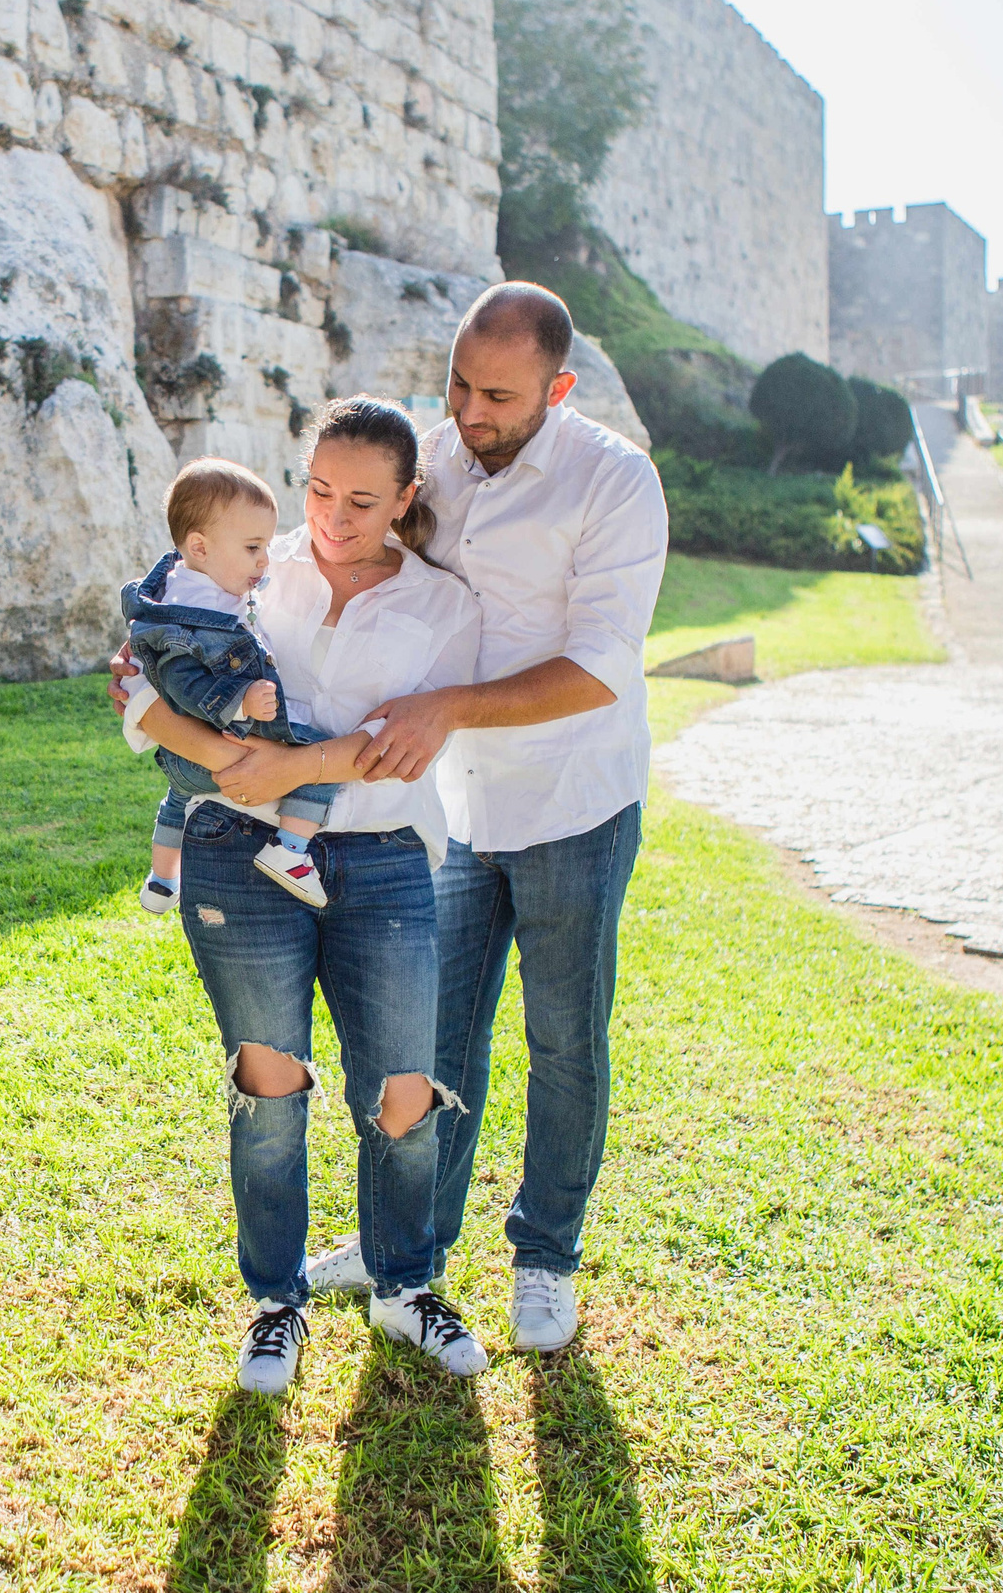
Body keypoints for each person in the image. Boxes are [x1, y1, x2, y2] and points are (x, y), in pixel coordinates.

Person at [301, 284, 668, 1356]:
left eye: (497, 394)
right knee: (423, 1036)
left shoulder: (614, 481)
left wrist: (449, 705)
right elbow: (330, 537)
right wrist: (182, 615)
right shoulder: (432, 453)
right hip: (455, 806)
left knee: (562, 1042)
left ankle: (545, 1258)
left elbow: (601, 667)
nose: (468, 411)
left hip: (574, 798)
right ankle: (398, 1245)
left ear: (556, 389)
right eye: (458, 383)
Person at [120, 397, 487, 1394]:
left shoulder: (442, 607)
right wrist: (228, 768)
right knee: (268, 1087)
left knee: (404, 1090)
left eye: (363, 500)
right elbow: (138, 693)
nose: (331, 515)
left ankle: (403, 1285)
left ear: (407, 498)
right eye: (319, 490)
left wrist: (282, 768)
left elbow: (400, 744)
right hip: (238, 858)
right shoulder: (244, 564)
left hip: (386, 862)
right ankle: (275, 1302)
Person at [123, 459, 344, 913]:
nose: (265, 560)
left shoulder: (186, 588)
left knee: (176, 802)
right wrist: (238, 703)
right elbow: (181, 679)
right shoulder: (194, 612)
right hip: (217, 740)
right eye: (252, 547)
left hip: (182, 757)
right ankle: (290, 849)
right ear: (200, 547)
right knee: (322, 757)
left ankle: (163, 880)